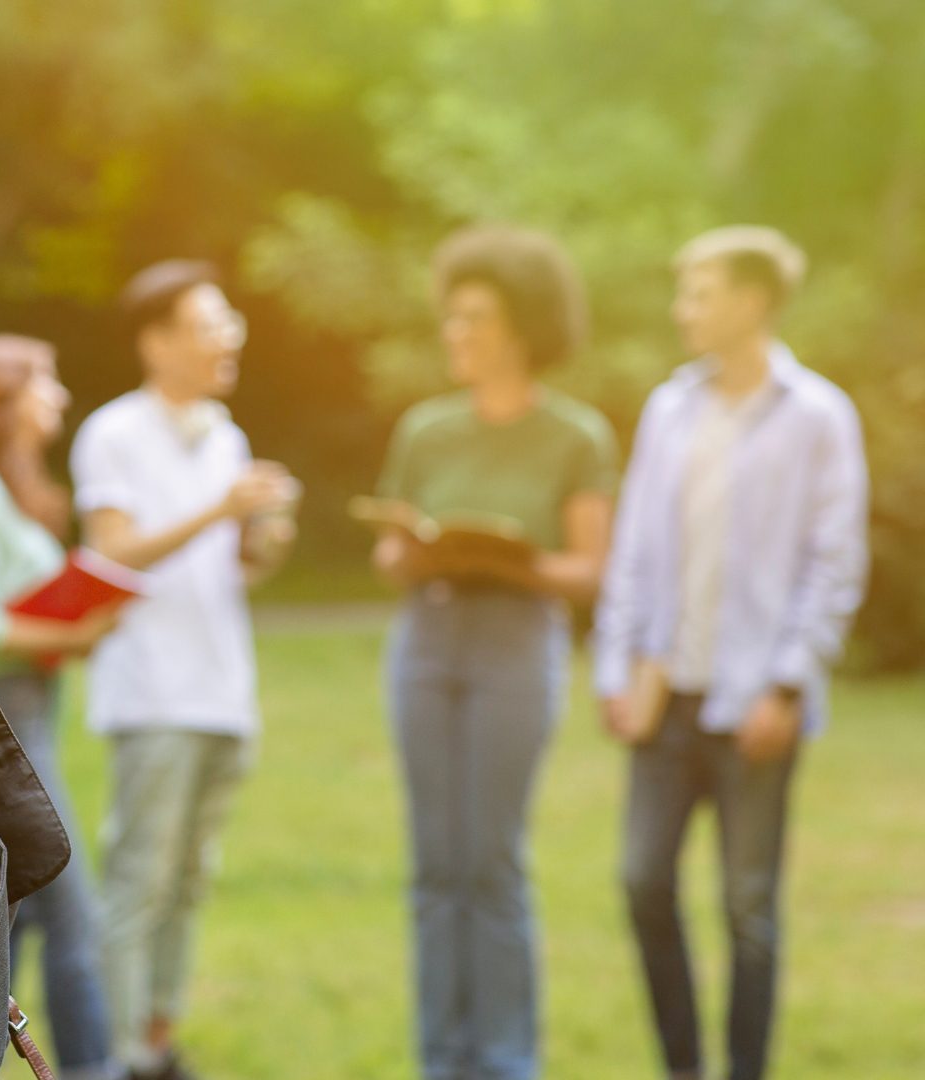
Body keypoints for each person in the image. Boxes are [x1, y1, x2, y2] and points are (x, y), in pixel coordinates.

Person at [595, 226, 867, 1080]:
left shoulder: (818, 416)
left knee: (749, 906)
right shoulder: (669, 410)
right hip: (665, 695)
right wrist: (615, 668)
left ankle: (745, 1070)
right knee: (642, 883)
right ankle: (683, 1066)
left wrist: (787, 684)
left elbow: (835, 561)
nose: (684, 311)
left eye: (699, 294)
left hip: (756, 700)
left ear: (752, 301)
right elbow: (635, 549)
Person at [370, 225, 618, 1080]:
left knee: (492, 860)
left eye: (474, 317)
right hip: (427, 641)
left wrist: (509, 557)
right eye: (453, 316)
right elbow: (393, 554)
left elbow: (591, 569)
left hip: (517, 645)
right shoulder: (426, 430)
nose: (456, 332)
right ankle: (444, 1059)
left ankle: (507, 1060)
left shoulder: (575, 435)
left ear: (522, 326)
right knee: (436, 863)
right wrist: (413, 549)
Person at [68, 260, 295, 1080]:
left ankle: (159, 1047)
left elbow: (227, 569)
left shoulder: (225, 435)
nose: (228, 335)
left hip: (222, 692)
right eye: (209, 322)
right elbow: (111, 552)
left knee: (192, 883)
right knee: (141, 879)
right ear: (157, 342)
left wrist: (259, 538)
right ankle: (117, 1054)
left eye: (229, 319)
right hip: (152, 692)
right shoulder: (114, 432)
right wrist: (219, 511)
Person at [0, 334, 123, 1080]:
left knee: (22, 922)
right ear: (1, 404)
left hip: (29, 717)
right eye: (46, 385)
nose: (60, 399)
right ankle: (97, 1067)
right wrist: (72, 631)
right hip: (4, 729)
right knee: (76, 917)